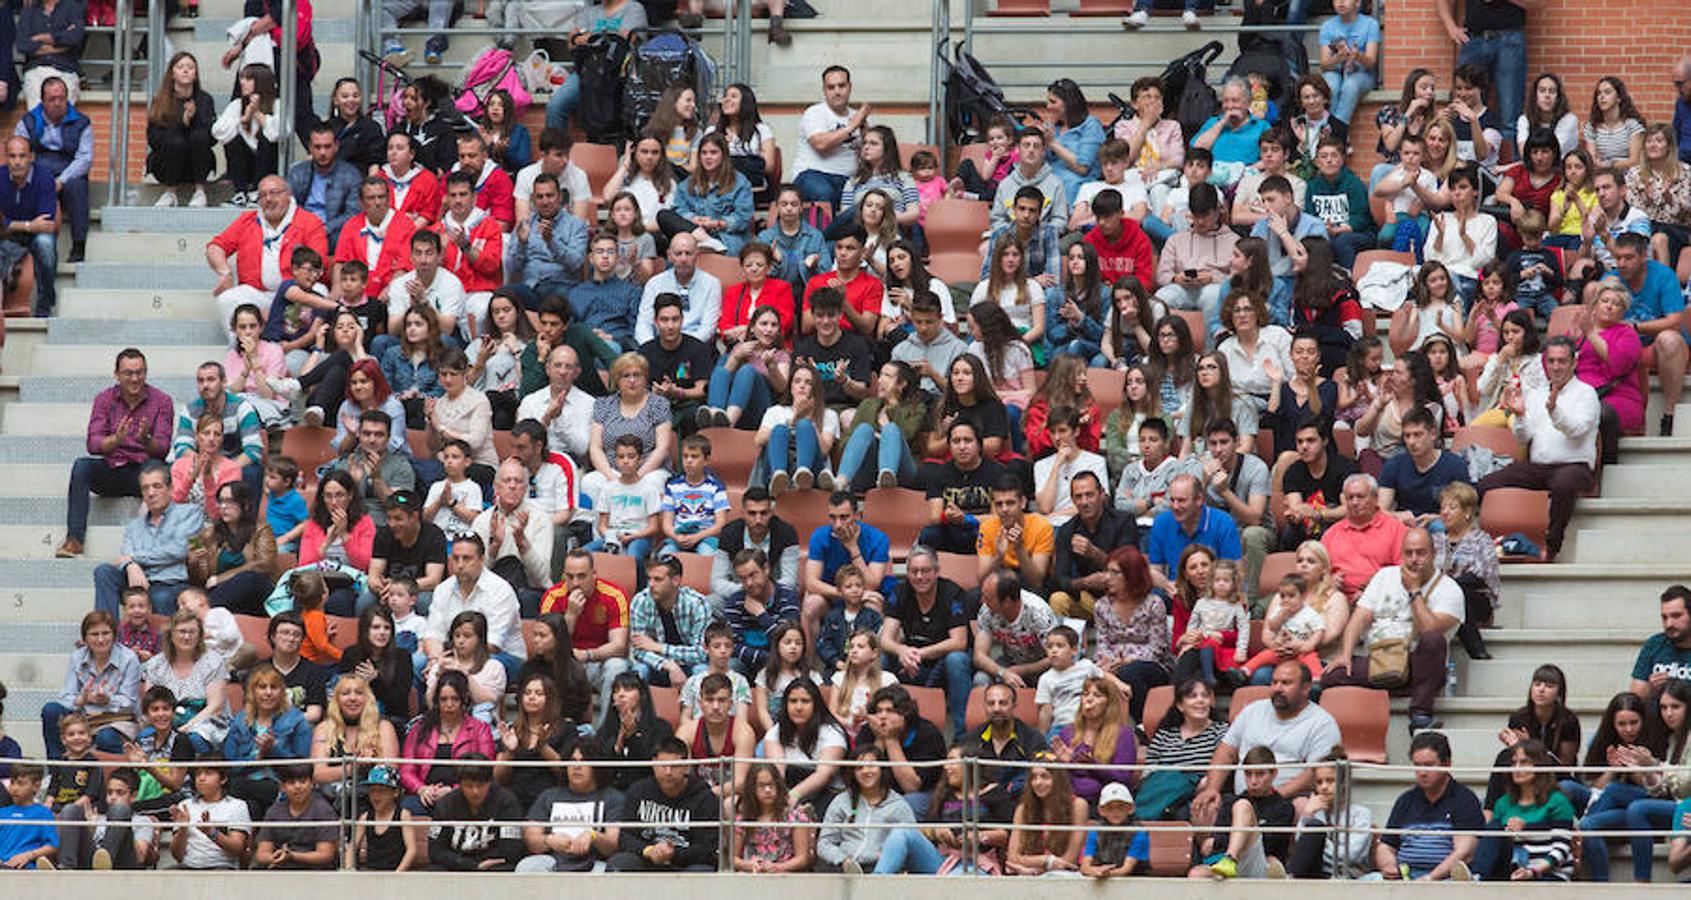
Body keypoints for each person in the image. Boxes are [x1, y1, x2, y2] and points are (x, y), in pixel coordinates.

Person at [1324, 528, 1465, 733]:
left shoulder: (1450, 590)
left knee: (1433, 640)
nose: (1414, 559)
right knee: (1332, 674)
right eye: (1408, 553)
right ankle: (1401, 685)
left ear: (1434, 553)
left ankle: (1420, 714)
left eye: (1421, 553)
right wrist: (1345, 654)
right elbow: (1359, 617)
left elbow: (1430, 629)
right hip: (1380, 660)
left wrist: (1414, 591)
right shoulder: (1384, 576)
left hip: (1417, 662)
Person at [1475, 336, 1599, 558]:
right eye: (1551, 361)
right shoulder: (1537, 393)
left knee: (1563, 484)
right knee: (1486, 483)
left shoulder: (1586, 393)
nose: (1556, 367)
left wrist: (1554, 411)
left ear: (1574, 362)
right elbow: (1524, 437)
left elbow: (1577, 430)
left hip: (1576, 466)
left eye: (1562, 361)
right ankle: (1475, 544)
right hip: (1538, 467)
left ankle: (1551, 547)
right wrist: (1520, 416)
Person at [58, 349, 176, 559]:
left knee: (164, 470)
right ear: (117, 374)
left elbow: (163, 447)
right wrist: (115, 440)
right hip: (113, 468)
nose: (134, 378)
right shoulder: (104, 399)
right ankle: (74, 540)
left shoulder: (162, 400)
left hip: (144, 471)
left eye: (140, 372)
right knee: (82, 466)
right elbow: (93, 443)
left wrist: (145, 440)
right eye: (128, 373)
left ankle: (158, 542)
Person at [206, 175, 330, 334]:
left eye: (274, 193)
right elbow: (215, 247)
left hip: (295, 292)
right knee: (227, 298)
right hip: (257, 293)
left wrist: (280, 305)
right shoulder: (247, 220)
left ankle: (292, 347)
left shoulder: (310, 222)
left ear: (288, 195)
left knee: (320, 292)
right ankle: (242, 350)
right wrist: (225, 272)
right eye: (262, 195)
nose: (268, 199)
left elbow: (318, 264)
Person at [90, 461, 202, 618]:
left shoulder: (189, 513)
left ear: (170, 489)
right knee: (104, 572)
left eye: (157, 486)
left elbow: (179, 549)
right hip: (138, 583)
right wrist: (130, 565)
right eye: (145, 488)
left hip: (170, 583)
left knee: (159, 597)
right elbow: (124, 557)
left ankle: (161, 641)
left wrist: (134, 559)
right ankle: (107, 628)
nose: (150, 493)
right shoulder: (134, 526)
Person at [538, 551, 631, 726]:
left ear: (594, 575)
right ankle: (558, 732)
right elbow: (547, 646)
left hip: (599, 661)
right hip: (565, 663)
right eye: (570, 577)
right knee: (547, 665)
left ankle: (605, 733)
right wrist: (571, 615)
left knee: (618, 666)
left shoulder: (613, 595)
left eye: (582, 576)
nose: (575, 583)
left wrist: (587, 655)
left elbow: (619, 646)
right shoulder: (553, 597)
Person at [1375, 730, 1483, 880]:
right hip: (1405, 877)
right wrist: (1388, 865)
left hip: (1446, 878)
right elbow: (1386, 846)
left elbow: (1464, 853)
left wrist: (1430, 878)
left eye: (1429, 765)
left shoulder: (1464, 800)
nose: (1422, 772)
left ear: (1447, 764)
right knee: (1368, 881)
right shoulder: (1405, 800)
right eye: (1417, 765)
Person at [607, 737, 720, 871]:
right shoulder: (638, 791)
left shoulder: (705, 797)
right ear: (654, 764)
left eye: (674, 766)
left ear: (686, 766)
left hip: (685, 863)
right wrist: (649, 851)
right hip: (647, 858)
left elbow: (707, 847)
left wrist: (673, 854)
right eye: (663, 765)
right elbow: (625, 837)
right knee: (619, 863)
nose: (668, 772)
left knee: (703, 871)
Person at [41, 610, 139, 758]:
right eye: (94, 634)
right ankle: (57, 771)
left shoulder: (129, 658)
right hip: (83, 716)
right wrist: (81, 699)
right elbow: (66, 696)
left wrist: (107, 700)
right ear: (85, 638)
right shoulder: (77, 657)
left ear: (114, 635)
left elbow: (130, 702)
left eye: (105, 633)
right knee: (50, 710)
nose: (100, 640)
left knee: (106, 737)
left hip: (114, 719)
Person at [14, 80, 88, 275]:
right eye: (52, 99)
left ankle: (79, 245)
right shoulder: (28, 121)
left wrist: (61, 180)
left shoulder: (82, 122)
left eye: (61, 98)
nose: (57, 103)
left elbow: (85, 158)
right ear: (42, 101)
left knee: (78, 186)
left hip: (69, 169)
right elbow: (19, 152)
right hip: (39, 168)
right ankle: (26, 243)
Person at [514, 741, 623, 873]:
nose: (577, 766)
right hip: (552, 860)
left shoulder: (613, 798)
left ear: (597, 767)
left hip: (595, 862)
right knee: (526, 867)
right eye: (572, 760)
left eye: (584, 761)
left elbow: (613, 845)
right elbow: (531, 840)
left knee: (612, 872)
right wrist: (549, 840)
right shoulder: (549, 795)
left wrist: (593, 836)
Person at [1188, 745, 1295, 880]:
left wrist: (1220, 842)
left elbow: (1270, 844)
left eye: (1260, 774)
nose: (1253, 781)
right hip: (1225, 861)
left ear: (1274, 773)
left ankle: (1230, 859)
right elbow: (1217, 841)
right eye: (1248, 774)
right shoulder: (1229, 802)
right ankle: (1229, 861)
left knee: (1243, 806)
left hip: (1261, 862)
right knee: (1196, 874)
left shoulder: (1283, 807)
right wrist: (1217, 843)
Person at [800, 491, 892, 639]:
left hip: (862, 595)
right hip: (830, 594)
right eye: (832, 517)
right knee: (811, 605)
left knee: (873, 606)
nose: (838, 525)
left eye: (844, 517)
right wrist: (845, 593)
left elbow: (872, 584)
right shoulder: (819, 536)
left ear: (857, 516)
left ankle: (865, 661)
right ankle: (809, 661)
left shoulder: (878, 538)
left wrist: (853, 549)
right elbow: (811, 583)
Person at [1049, 471, 1137, 619]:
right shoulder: (1068, 530)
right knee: (1058, 599)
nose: (1084, 502)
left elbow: (1130, 570)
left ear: (1102, 494)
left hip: (1123, 598)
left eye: (1089, 495)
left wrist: (1095, 554)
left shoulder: (1123, 521)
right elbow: (1059, 579)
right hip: (1090, 600)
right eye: (1078, 496)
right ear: (1073, 500)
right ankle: (1064, 641)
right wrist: (1084, 582)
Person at [1434, 482, 1502, 660]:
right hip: (1438, 598)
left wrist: (1448, 586)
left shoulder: (1481, 539)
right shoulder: (1435, 540)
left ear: (1467, 512)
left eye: (1452, 507)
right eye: (1442, 507)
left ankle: (1476, 649)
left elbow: (1483, 575)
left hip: (1476, 600)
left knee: (1458, 593)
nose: (1445, 512)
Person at [1143, 473, 1242, 594]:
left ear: (1199, 499)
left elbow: (1235, 572)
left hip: (1215, 594)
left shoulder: (1222, 522)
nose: (1175, 506)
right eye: (1172, 500)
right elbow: (1154, 570)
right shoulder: (1161, 522)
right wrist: (1167, 585)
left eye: (1181, 500)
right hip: (1176, 592)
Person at [425, 754, 524, 871]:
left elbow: (511, 848)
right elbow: (435, 850)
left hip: (493, 865)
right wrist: (471, 865)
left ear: (489, 782)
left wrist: (481, 865)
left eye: (480, 785)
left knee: (505, 869)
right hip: (456, 864)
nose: (475, 791)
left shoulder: (506, 801)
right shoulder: (445, 804)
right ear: (460, 784)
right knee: (433, 871)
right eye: (468, 786)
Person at [1378, 407, 1471, 525]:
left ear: (1433, 434)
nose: (1411, 442)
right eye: (1407, 436)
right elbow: (1379, 510)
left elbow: (1465, 512)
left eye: (1417, 435)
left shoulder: (1455, 466)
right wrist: (1397, 515)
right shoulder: (1394, 464)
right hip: (1405, 526)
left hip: (1442, 526)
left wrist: (1437, 518)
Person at [972, 567, 1058, 689]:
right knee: (981, 679)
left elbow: (1055, 657)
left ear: (1006, 601)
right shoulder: (987, 610)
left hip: (1042, 665)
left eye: (988, 598)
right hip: (1010, 663)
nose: (982, 601)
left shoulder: (1038, 612)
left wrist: (1022, 670)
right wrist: (1003, 672)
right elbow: (979, 656)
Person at [720, 548, 801, 674]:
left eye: (753, 575)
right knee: (729, 666)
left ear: (766, 569)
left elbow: (788, 643)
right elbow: (733, 646)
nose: (749, 583)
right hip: (748, 663)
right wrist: (768, 658)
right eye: (743, 578)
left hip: (781, 666)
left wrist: (761, 614)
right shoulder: (735, 601)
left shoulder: (787, 598)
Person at [1631, 586, 1691, 701]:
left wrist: (1676, 687)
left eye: (1676, 616)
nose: (1669, 624)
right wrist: (1652, 689)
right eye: (1664, 617)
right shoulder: (1655, 645)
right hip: (1657, 718)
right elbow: (1635, 699)